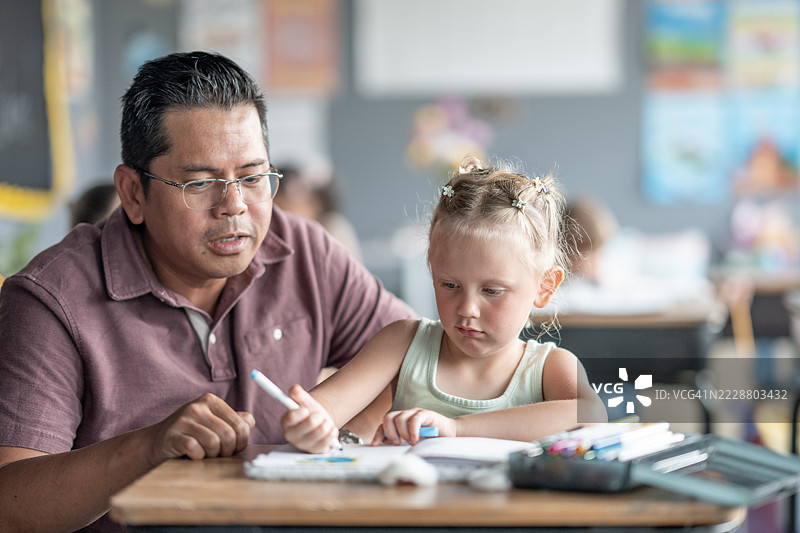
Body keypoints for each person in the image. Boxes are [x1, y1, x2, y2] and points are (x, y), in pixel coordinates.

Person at [0, 51, 414, 533]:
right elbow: (11, 505)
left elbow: (419, 357)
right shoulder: (51, 299)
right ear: (133, 193)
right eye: (200, 184)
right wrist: (149, 447)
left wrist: (343, 435)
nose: (234, 206)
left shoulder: (304, 252)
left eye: (253, 177)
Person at [281, 156, 607, 454]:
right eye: (450, 285)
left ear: (545, 287)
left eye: (492, 291)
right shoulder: (402, 343)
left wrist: (456, 428)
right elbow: (319, 409)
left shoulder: (549, 368)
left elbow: (591, 416)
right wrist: (307, 423)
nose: (467, 308)